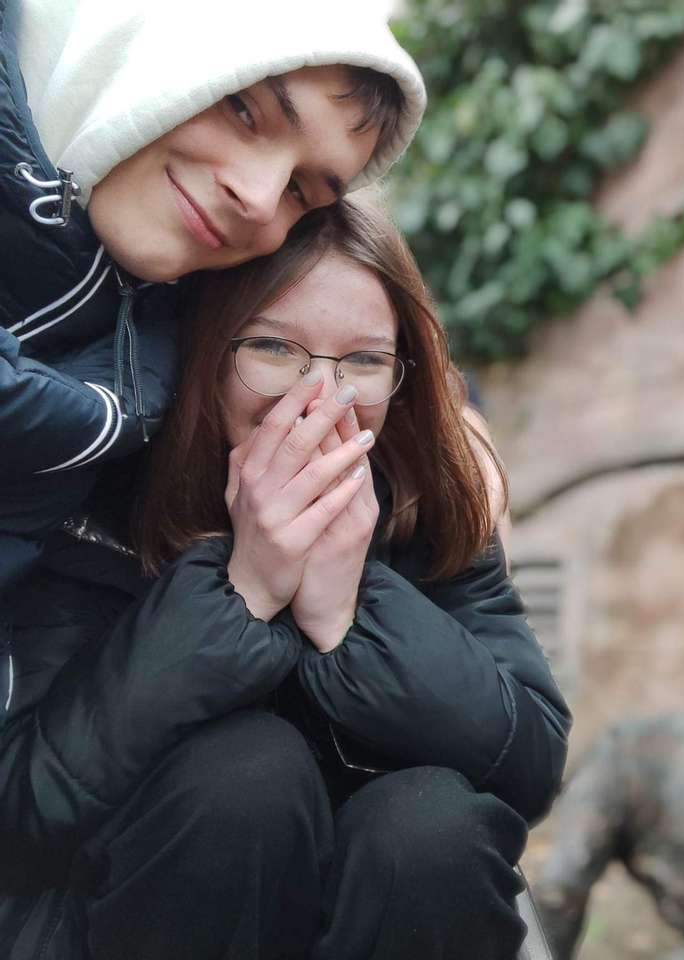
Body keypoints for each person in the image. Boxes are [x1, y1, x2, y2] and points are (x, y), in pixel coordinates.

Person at [1, 193, 571, 958]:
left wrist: (349, 618)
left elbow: (530, 767)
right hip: (140, 905)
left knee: (430, 826)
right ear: (205, 352)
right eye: (273, 348)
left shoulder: (424, 498)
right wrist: (243, 593)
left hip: (385, 907)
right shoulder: (95, 497)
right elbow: (24, 810)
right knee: (244, 775)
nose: (320, 397)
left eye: (364, 360)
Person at [0, 0, 427, 690]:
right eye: (243, 109)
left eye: (300, 192)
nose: (260, 201)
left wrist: (444, 418)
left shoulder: (160, 313)